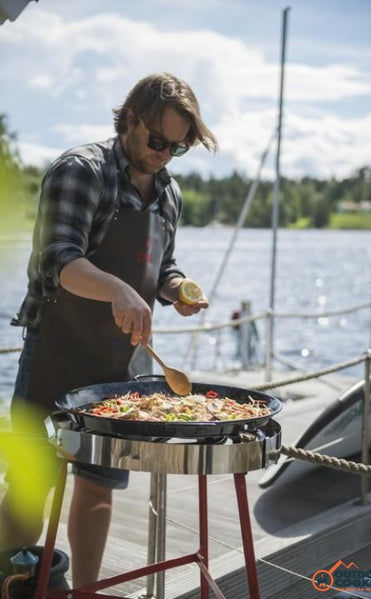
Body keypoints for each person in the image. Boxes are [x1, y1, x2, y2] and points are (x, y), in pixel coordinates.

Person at [0, 72, 217, 587]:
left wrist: (175, 286)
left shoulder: (169, 193)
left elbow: (161, 265)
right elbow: (59, 259)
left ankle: (86, 591)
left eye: (179, 148)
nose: (165, 154)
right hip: (57, 353)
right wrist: (119, 289)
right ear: (131, 120)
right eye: (158, 141)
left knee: (99, 487)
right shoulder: (81, 171)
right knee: (34, 484)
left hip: (122, 368)